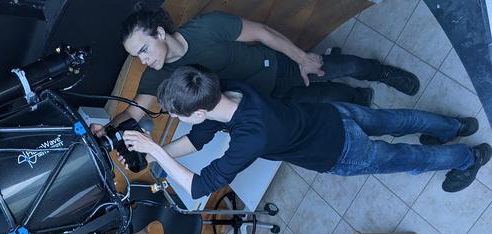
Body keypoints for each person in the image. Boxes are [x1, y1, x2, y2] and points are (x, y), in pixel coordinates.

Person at [120, 65, 490, 197]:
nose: (180, 120)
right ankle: (456, 126)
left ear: (198, 111)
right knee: (396, 119)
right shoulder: (222, 89)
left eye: (180, 115)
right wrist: (155, 145)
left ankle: (468, 157)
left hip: (338, 151)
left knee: (407, 157)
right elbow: (200, 136)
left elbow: (201, 184)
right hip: (331, 116)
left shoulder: (252, 137)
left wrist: (157, 153)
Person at [95, 8, 419, 134]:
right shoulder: (156, 77)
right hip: (260, 101)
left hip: (277, 67)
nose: (143, 60)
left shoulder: (206, 28)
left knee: (343, 66)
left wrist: (302, 58)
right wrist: (108, 130)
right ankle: (359, 97)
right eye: (136, 56)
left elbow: (263, 32)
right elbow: (135, 113)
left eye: (143, 50)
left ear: (160, 34)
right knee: (324, 99)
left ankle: (382, 73)